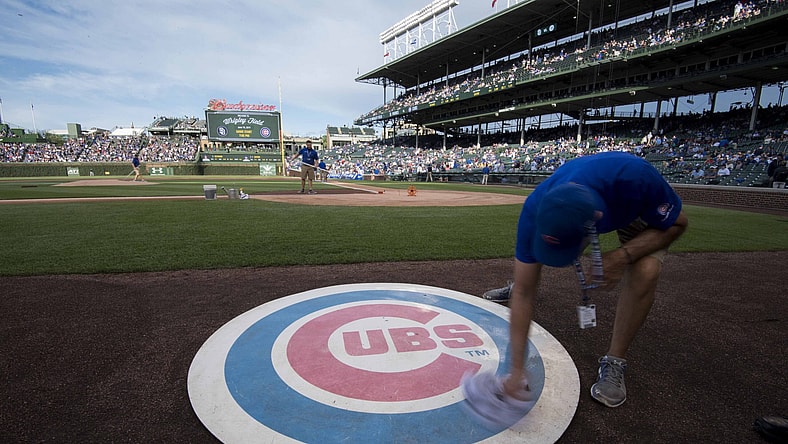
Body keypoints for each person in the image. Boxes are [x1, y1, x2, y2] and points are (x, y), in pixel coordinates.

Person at [475, 152, 688, 412]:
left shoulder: (637, 179)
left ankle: (615, 360)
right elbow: (524, 294)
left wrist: (622, 256)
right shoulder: (535, 208)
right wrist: (516, 371)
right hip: (587, 205)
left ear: (594, 227)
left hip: (634, 207)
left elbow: (678, 224)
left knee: (646, 271)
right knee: (525, 282)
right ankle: (515, 281)